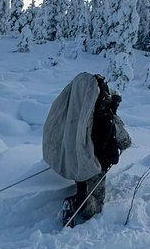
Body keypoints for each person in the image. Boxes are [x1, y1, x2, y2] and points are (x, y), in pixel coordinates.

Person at [42, 72, 131, 225]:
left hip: (77, 158)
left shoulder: (79, 111)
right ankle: (79, 202)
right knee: (96, 206)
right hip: (96, 166)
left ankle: (81, 192)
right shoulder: (104, 116)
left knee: (82, 183)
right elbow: (125, 141)